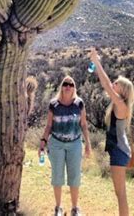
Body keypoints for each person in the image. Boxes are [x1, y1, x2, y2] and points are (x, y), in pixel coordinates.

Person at [88, 48, 134, 216]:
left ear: (122, 90)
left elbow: (105, 84)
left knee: (121, 194)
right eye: (115, 82)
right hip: (120, 150)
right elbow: (108, 84)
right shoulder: (119, 104)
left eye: (117, 83)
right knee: (119, 193)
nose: (114, 84)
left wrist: (96, 61)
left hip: (119, 151)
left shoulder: (121, 105)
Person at [39, 76, 91, 216]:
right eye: (65, 84)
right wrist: (43, 142)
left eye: (71, 84)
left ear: (74, 87)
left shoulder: (79, 104)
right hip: (56, 144)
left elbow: (84, 125)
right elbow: (49, 125)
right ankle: (58, 208)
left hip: (75, 143)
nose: (68, 87)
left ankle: (75, 208)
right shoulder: (54, 104)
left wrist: (88, 144)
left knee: (74, 176)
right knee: (57, 176)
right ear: (61, 86)